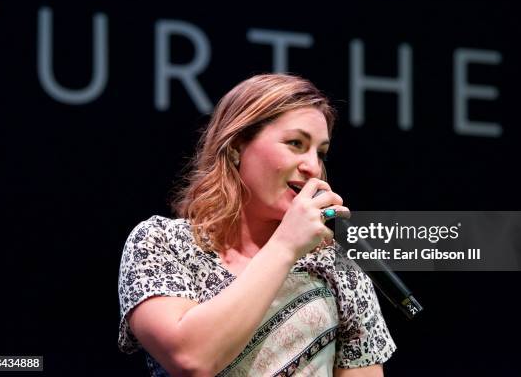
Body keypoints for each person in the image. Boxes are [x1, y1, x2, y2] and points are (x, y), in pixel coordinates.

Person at [118, 74, 396, 376]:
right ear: (237, 145)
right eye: (295, 143)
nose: (313, 167)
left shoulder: (336, 264)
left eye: (320, 153)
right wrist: (286, 245)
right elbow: (191, 360)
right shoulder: (162, 244)